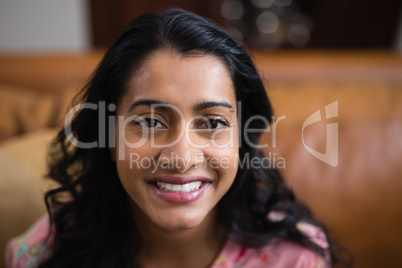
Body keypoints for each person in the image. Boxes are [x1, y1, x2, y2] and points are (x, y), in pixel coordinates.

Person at [5, 8, 349, 268]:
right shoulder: (41, 256)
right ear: (109, 138)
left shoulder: (294, 259)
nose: (182, 157)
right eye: (151, 121)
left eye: (212, 123)